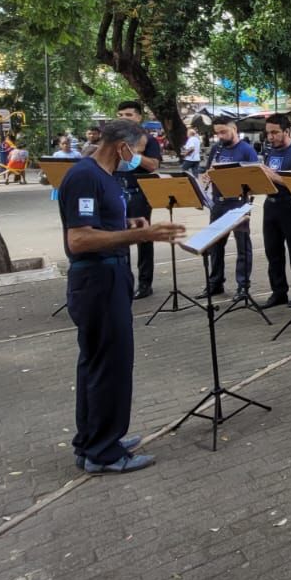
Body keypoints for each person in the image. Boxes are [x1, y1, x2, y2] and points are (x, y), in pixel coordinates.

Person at [58, 118, 184, 473]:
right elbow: (79, 239)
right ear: (122, 147)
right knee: (108, 365)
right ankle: (104, 453)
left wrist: (128, 225)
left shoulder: (106, 177)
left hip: (110, 274)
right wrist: (140, 237)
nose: (139, 158)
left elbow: (99, 224)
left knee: (99, 362)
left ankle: (95, 438)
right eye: (138, 150)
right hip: (97, 279)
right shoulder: (86, 175)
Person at [198, 116, 259, 298]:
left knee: (242, 246)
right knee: (215, 245)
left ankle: (243, 285)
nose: (220, 136)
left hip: (238, 202)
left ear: (234, 129)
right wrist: (207, 176)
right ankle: (215, 283)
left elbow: (255, 178)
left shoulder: (246, 150)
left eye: (223, 132)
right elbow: (209, 169)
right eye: (217, 133)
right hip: (219, 202)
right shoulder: (217, 149)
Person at [258, 115, 291, 309]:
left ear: (287, 132)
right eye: (268, 133)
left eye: (275, 132)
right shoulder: (270, 151)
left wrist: (275, 177)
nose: (270, 137)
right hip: (270, 204)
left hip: (290, 205)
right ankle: (279, 291)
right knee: (273, 251)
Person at [113, 101, 162, 299]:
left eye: (129, 114)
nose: (124, 118)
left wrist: (134, 156)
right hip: (115, 193)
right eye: (121, 115)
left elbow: (153, 166)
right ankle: (123, 282)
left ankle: (144, 283)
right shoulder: (111, 140)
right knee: (117, 238)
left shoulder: (148, 140)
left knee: (143, 237)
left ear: (139, 117)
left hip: (139, 193)